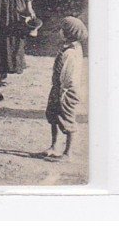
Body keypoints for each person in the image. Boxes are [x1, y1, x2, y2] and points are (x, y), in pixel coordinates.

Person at [44, 16, 87, 160]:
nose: (60, 32)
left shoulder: (71, 52)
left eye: (62, 30)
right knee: (53, 115)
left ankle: (67, 153)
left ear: (69, 33)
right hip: (58, 88)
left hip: (66, 91)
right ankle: (54, 146)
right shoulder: (69, 47)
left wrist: (63, 92)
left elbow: (68, 76)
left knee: (67, 118)